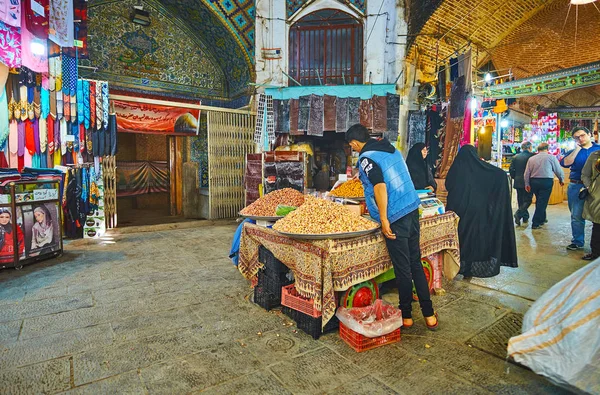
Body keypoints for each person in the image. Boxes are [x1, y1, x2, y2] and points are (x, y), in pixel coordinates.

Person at [345, 124, 438, 330]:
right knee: (415, 263)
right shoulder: (391, 150)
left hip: (396, 216)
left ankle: (407, 316)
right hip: (412, 209)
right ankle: (429, 314)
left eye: (352, 145)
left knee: (403, 269)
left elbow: (380, 186)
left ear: (354, 143)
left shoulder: (366, 158)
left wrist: (384, 219)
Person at [445, 145, 518, 278]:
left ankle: (457, 265)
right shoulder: (482, 169)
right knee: (473, 239)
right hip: (477, 213)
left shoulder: (457, 167)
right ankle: (469, 270)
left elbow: (448, 185)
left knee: (460, 239)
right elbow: (497, 175)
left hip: (457, 212)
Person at [560, 126, 600, 250]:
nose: (580, 138)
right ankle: (577, 241)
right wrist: (577, 149)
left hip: (596, 187)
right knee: (576, 215)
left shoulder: (598, 150)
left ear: (589, 135)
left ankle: (596, 245)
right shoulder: (573, 151)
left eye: (582, 135)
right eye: (577, 137)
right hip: (576, 185)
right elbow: (565, 163)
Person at [524, 143, 565, 229]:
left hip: (534, 181)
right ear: (547, 149)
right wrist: (561, 179)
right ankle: (535, 222)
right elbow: (558, 170)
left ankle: (542, 219)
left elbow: (527, 173)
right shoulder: (551, 157)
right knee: (542, 202)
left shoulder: (531, 159)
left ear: (538, 149)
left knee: (539, 200)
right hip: (546, 181)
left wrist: (527, 184)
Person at [509, 141, 535, 226]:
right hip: (529, 181)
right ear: (529, 147)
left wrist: (514, 177)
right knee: (528, 199)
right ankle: (519, 214)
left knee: (520, 199)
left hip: (518, 180)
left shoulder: (516, 157)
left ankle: (525, 217)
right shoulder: (533, 156)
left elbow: (511, 169)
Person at [581, 150, 600, 260]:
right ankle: (596, 252)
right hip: (597, 195)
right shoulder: (595, 155)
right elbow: (585, 174)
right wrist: (590, 188)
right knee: (597, 225)